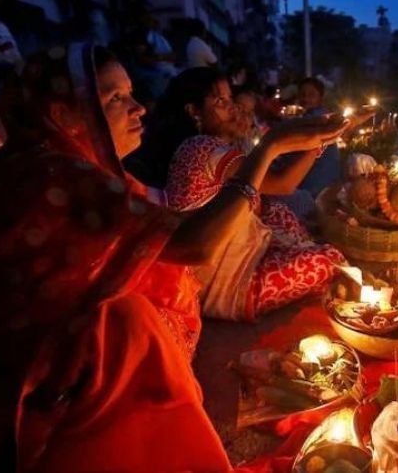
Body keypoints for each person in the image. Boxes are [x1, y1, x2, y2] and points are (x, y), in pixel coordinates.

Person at [0, 43, 346, 472]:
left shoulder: (61, 166)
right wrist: (268, 148)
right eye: (114, 98)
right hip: (19, 386)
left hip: (15, 368)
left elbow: (163, 226)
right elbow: (194, 245)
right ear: (64, 114)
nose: (138, 108)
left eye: (132, 93)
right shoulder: (53, 172)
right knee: (130, 324)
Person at [149, 67, 348, 321]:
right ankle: (299, 256)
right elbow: (283, 184)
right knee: (330, 259)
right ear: (194, 111)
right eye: (220, 101)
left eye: (230, 100)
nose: (232, 109)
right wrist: (321, 140)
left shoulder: (210, 146)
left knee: (277, 211)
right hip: (224, 287)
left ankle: (295, 251)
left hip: (233, 258)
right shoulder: (202, 148)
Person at [296, 76, 343, 196]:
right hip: (329, 184)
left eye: (311, 95)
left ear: (320, 98)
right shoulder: (308, 116)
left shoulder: (317, 119)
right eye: (302, 94)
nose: (306, 98)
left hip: (316, 187)